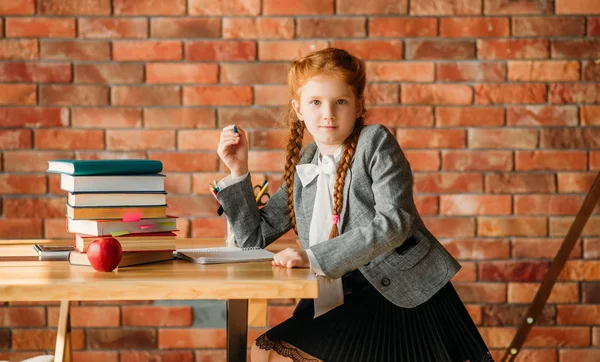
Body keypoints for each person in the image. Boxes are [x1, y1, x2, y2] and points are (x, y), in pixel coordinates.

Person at [215, 48, 493, 362]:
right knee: (263, 352)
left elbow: (395, 221)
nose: (328, 114)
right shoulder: (307, 161)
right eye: (316, 103)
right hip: (342, 292)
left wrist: (312, 257)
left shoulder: (375, 142)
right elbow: (252, 240)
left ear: (358, 105)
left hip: (393, 292)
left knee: (271, 355)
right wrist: (238, 172)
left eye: (340, 101)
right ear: (299, 109)